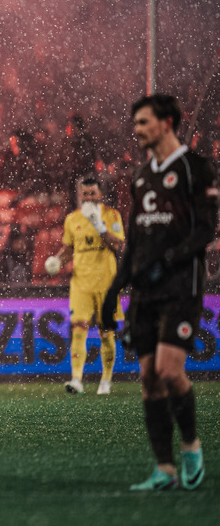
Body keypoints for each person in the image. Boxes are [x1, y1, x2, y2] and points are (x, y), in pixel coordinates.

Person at [101, 95, 219, 491]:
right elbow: (133, 239)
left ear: (167, 123)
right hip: (145, 290)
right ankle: (164, 468)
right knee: (149, 379)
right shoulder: (140, 176)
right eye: (135, 123)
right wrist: (116, 285)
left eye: (144, 122)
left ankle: (191, 445)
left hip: (181, 285)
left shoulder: (195, 168)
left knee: (171, 371)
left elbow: (206, 231)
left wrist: (169, 259)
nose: (137, 130)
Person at [45, 177, 125, 395]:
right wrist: (57, 261)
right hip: (80, 282)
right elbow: (68, 249)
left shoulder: (112, 215)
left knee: (106, 331)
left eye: (92, 193)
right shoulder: (72, 219)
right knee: (79, 328)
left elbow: (117, 245)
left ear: (100, 194)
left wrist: (99, 225)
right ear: (79, 195)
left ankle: (106, 381)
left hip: (106, 282)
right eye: (85, 193)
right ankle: (77, 379)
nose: (88, 197)